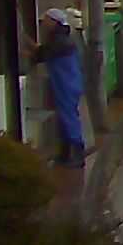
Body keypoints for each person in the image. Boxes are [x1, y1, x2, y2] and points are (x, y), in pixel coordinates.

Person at [33, 13, 89, 170]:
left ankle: (77, 153)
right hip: (67, 83)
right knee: (65, 118)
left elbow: (42, 54)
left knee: (69, 117)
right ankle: (65, 153)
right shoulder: (62, 39)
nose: (43, 23)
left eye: (46, 20)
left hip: (66, 84)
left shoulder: (59, 42)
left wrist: (29, 47)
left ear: (54, 22)